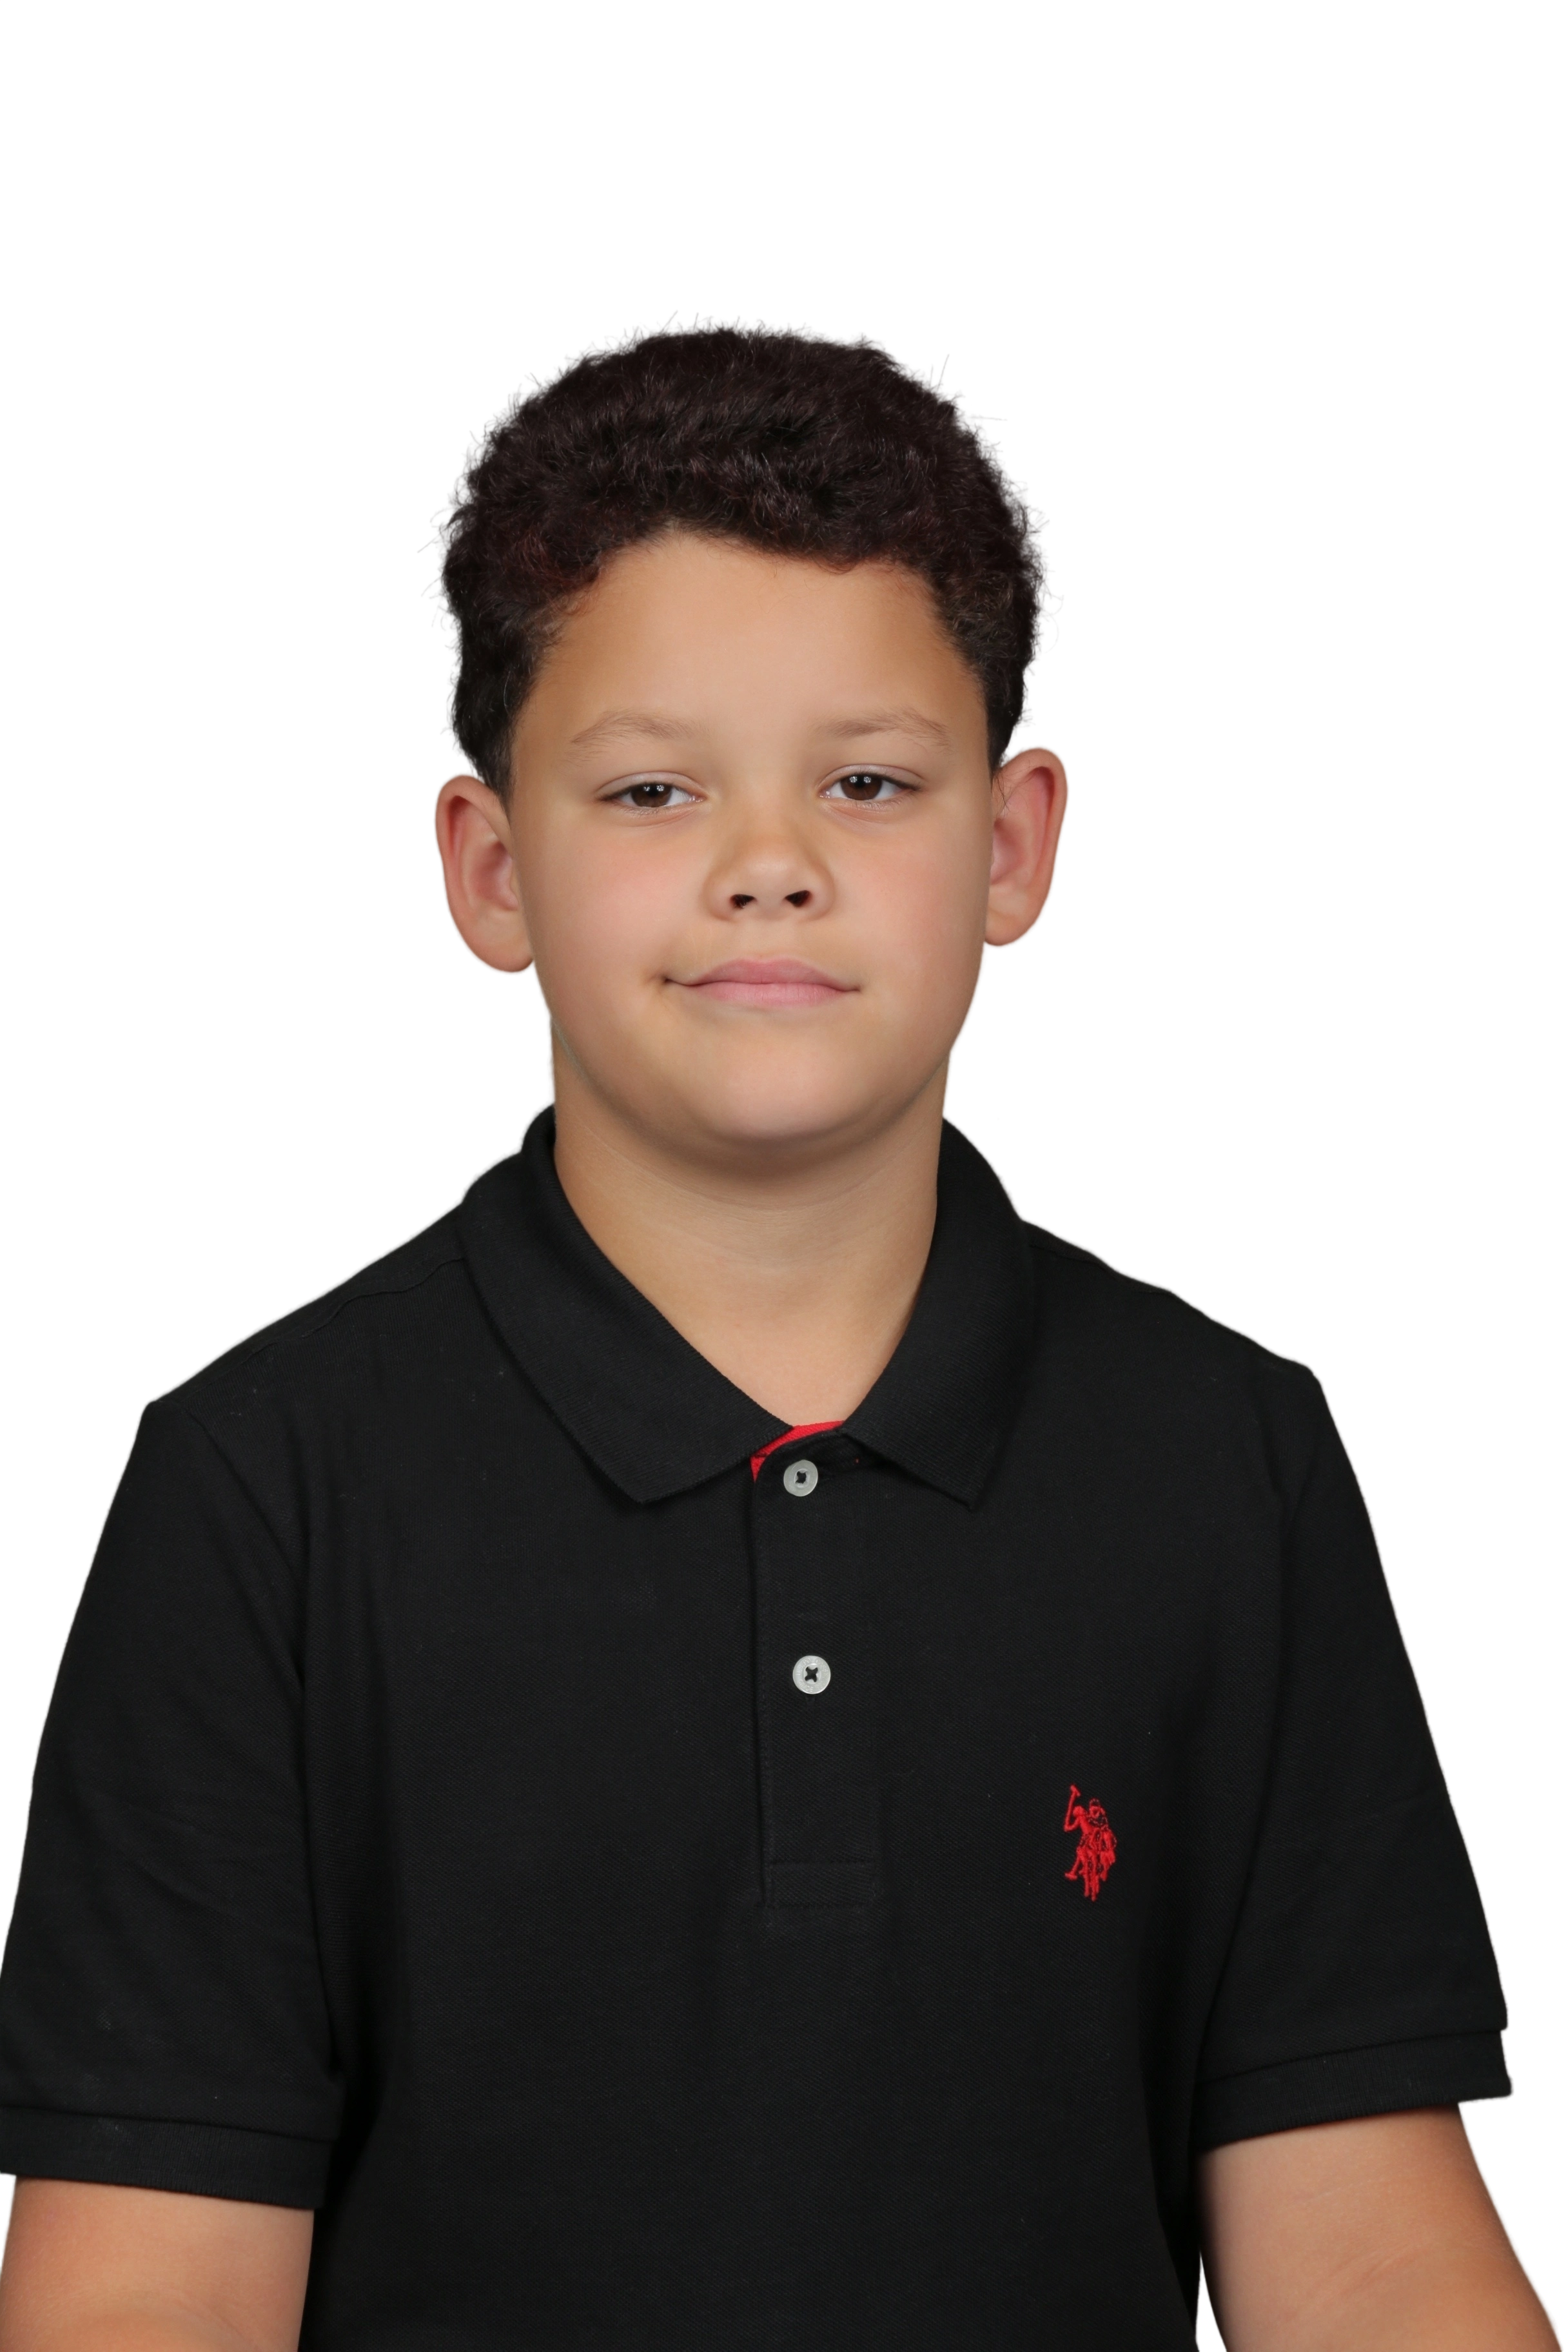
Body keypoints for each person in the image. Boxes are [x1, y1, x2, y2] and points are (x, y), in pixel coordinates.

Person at [0, 309, 1557, 2352]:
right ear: (492, 869)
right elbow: (145, 2288)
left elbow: (1364, 2257)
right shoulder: (262, 1492)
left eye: (868, 781)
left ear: (1015, 844)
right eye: (653, 788)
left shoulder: (1226, 1460)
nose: (769, 869)